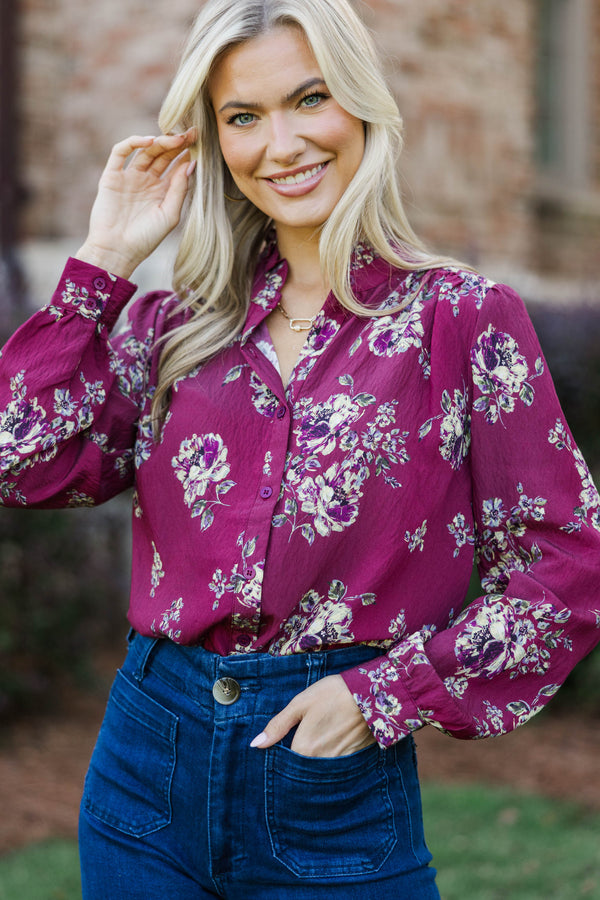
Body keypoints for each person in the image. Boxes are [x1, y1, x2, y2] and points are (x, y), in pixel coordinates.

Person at [1, 0, 600, 896]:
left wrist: (386, 693)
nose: (280, 144)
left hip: (333, 785)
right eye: (244, 116)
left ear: (360, 106)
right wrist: (104, 261)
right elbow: (24, 460)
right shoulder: (176, 329)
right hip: (144, 767)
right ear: (214, 142)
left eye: (308, 99)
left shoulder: (461, 320)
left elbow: (565, 562)